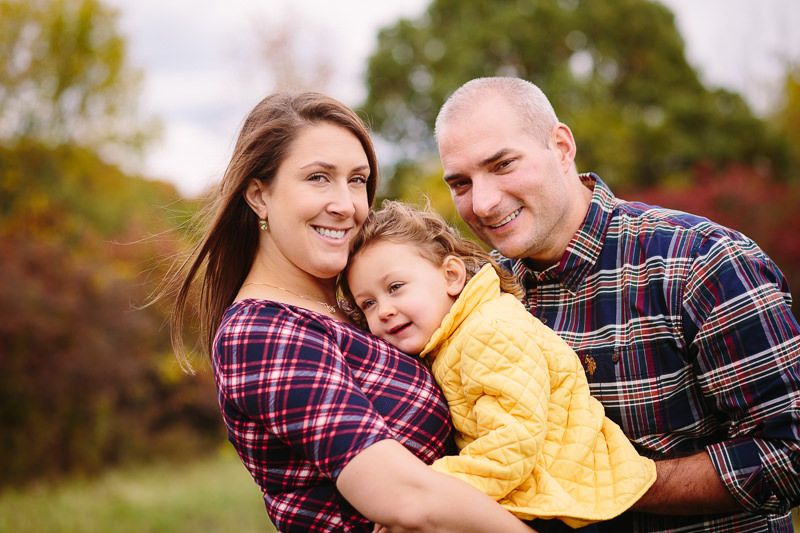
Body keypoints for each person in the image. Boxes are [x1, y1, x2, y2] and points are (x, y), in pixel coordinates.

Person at [434, 76, 800, 532]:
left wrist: (611, 483)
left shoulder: (701, 262)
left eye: (503, 164)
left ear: (561, 147)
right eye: (461, 183)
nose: (484, 203)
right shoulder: (476, 296)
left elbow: (789, 452)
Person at [165, 91, 537, 533]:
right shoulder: (260, 331)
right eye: (318, 178)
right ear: (259, 196)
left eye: (357, 180)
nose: (346, 205)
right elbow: (405, 498)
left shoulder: (355, 311)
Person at [341, 200, 657, 531]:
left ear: (451, 276)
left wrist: (424, 491)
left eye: (395, 287)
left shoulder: (488, 333)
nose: (384, 311)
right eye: (368, 303)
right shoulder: (454, 337)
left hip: (561, 503)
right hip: (541, 492)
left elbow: (511, 444)